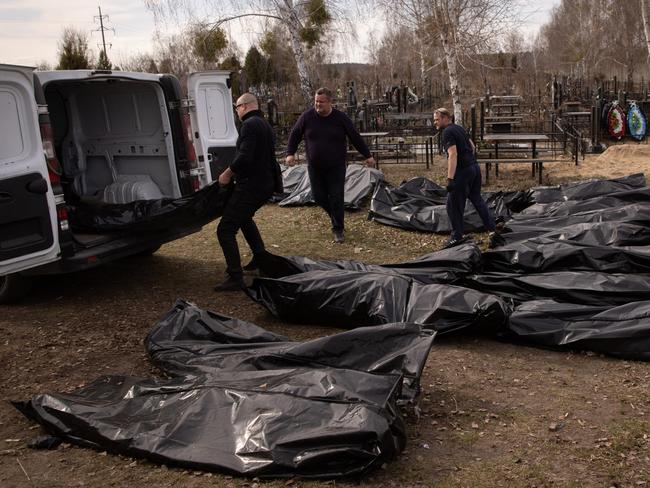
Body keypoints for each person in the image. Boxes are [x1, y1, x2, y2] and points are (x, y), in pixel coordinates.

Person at [286, 87, 376, 244]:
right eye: (316, 102)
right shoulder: (307, 117)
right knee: (318, 196)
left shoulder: (341, 118)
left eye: (321, 102)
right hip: (315, 167)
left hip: (336, 166)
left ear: (330, 102)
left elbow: (355, 136)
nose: (317, 105)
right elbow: (295, 134)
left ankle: (338, 229)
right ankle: (336, 215)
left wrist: (367, 155)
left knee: (336, 196)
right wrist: (290, 153)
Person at [214, 93, 280, 291]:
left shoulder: (249, 125)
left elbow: (245, 157)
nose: (236, 111)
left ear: (244, 106)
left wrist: (226, 174)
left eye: (237, 107)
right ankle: (260, 259)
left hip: (252, 184)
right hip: (264, 183)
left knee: (225, 229)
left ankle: (235, 277)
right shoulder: (263, 123)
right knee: (244, 219)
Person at [433, 107, 497, 249]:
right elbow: (472, 147)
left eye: (437, 120)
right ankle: (492, 229)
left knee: (453, 204)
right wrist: (469, 161)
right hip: (474, 168)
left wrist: (450, 178)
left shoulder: (447, 132)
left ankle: (456, 237)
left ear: (445, 118)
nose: (435, 123)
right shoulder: (459, 128)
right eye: (434, 120)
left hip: (463, 172)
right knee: (477, 199)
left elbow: (453, 154)